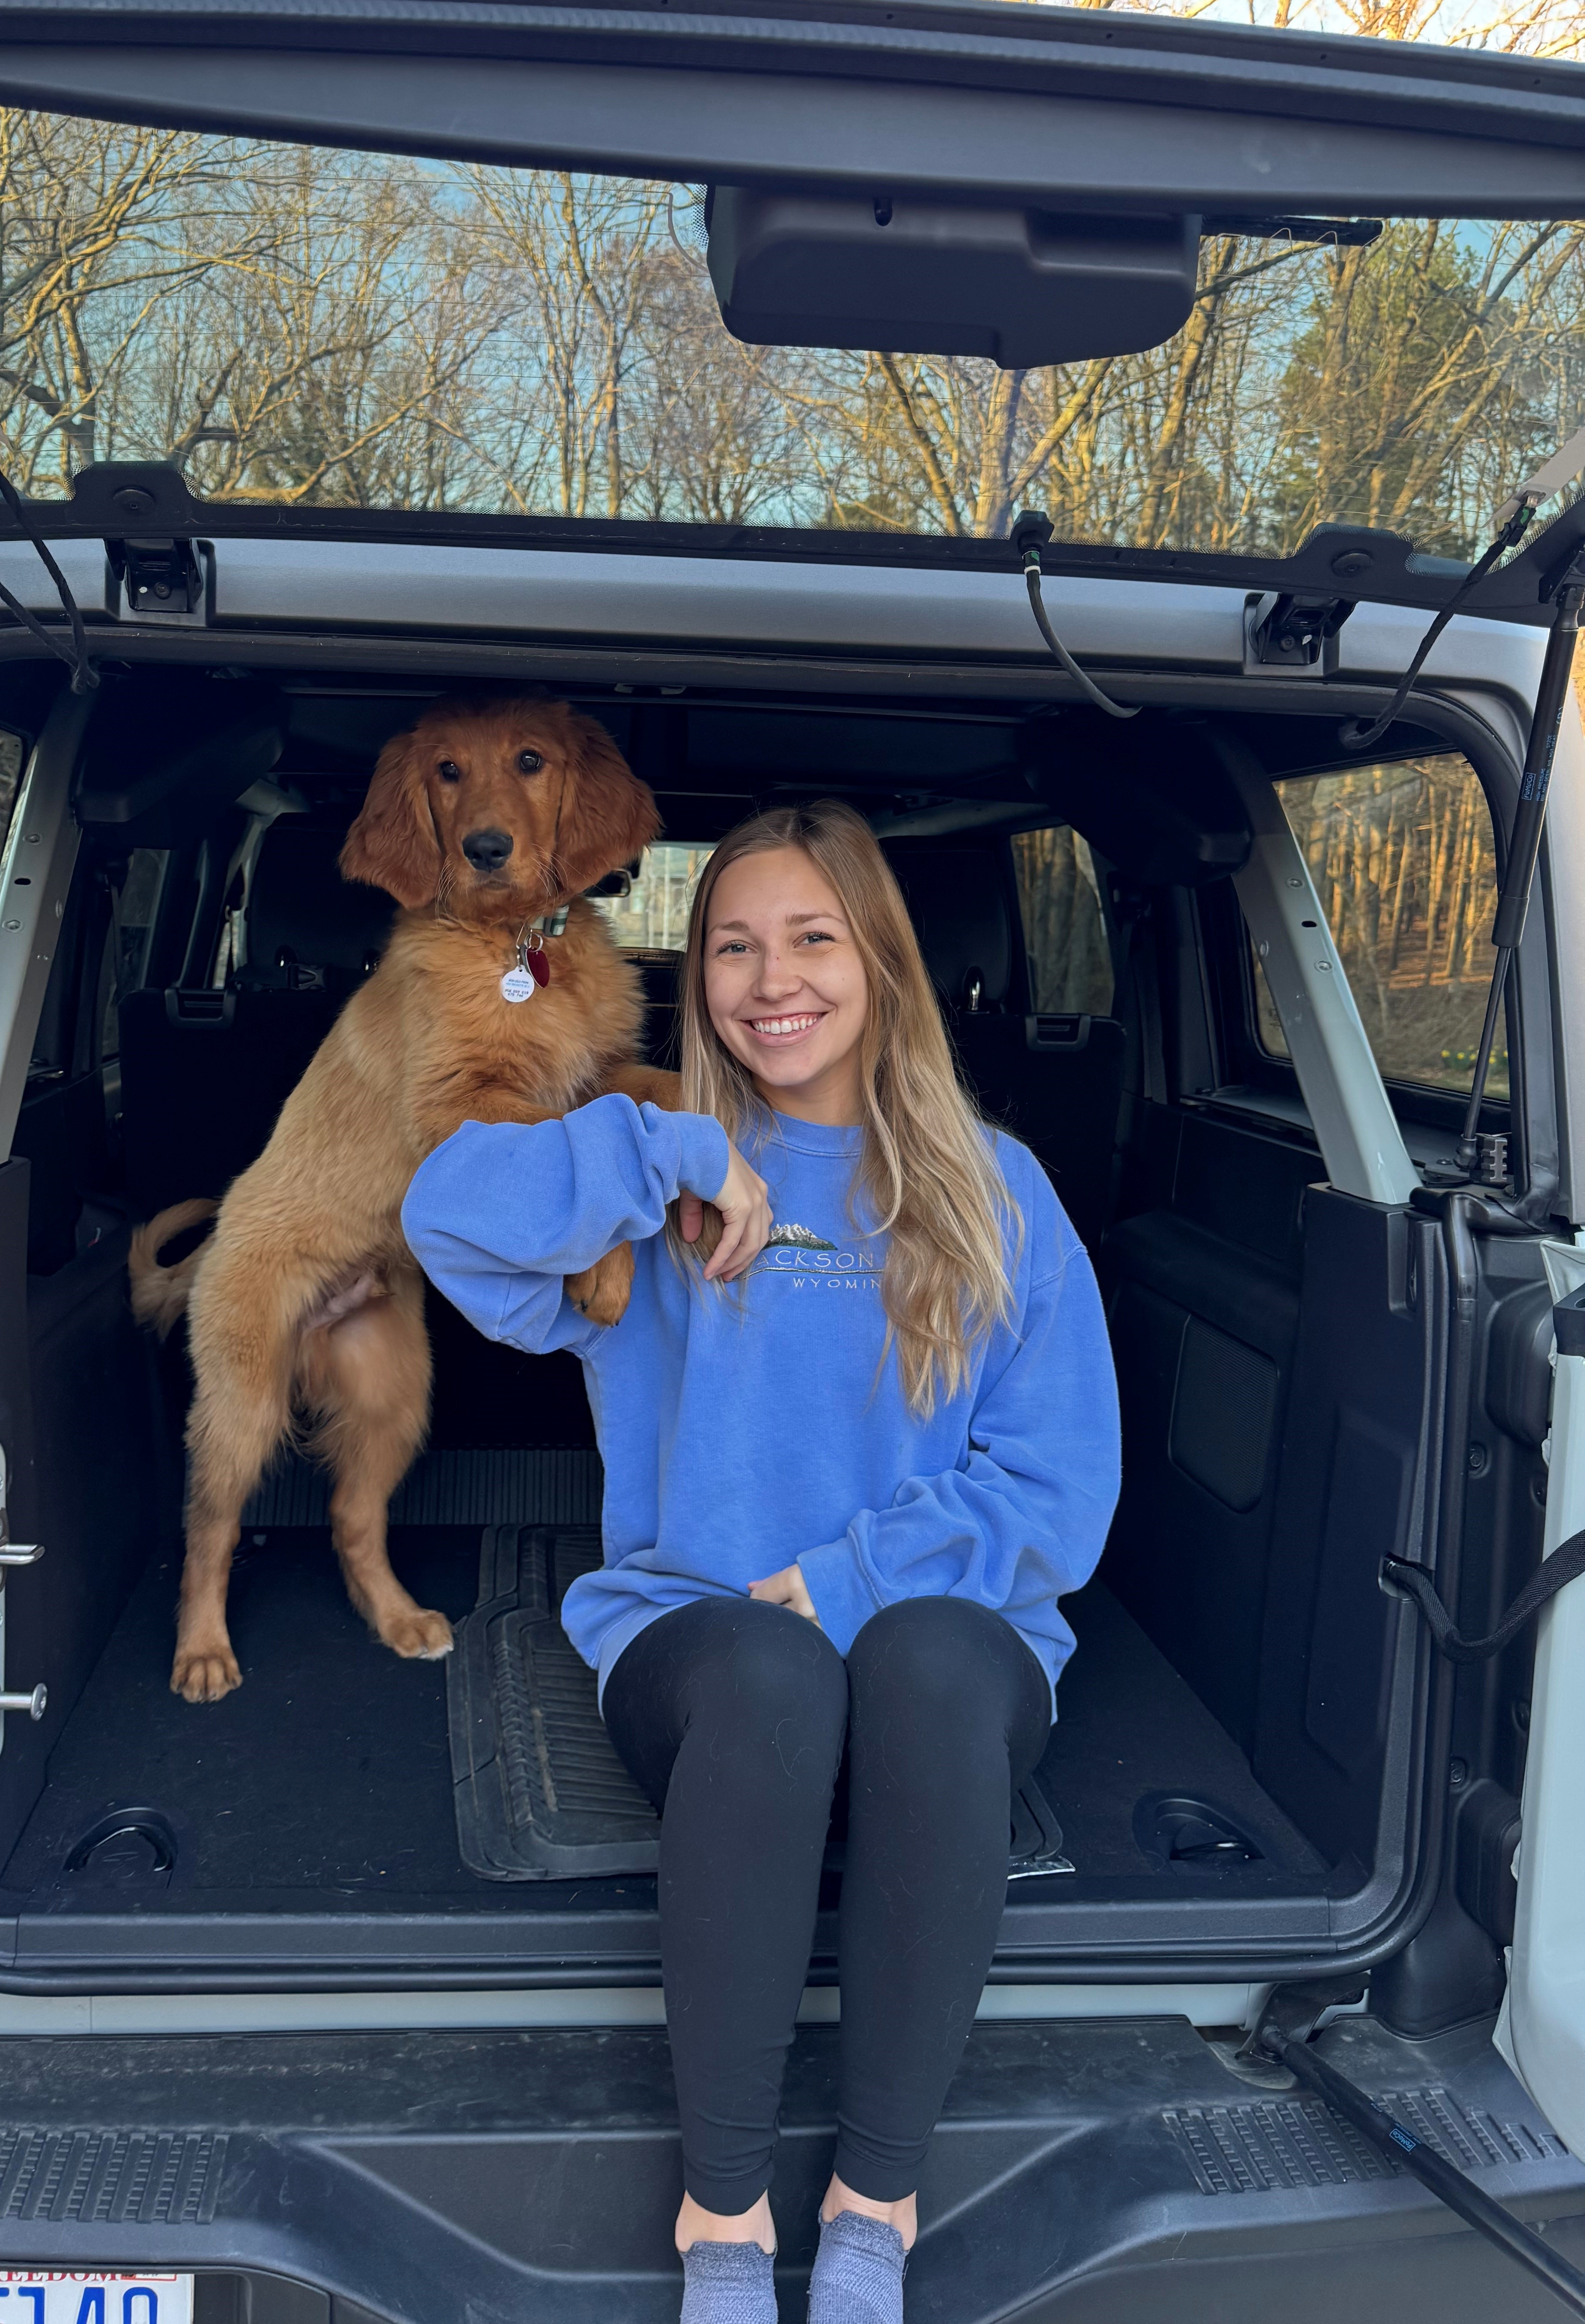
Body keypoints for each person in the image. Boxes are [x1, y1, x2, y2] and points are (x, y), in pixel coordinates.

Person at [402, 800, 1121, 2324]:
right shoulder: (653, 1186)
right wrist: (664, 1140)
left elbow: (1061, 1487)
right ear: (695, 970)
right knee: (775, 1674)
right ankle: (721, 2225)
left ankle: (875, 2204)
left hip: (945, 1655)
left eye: (812, 938)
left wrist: (852, 1580)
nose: (770, 978)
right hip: (709, 1654)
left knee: (918, 1651)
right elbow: (443, 1214)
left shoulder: (997, 1191)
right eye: (732, 944)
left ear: (881, 963)